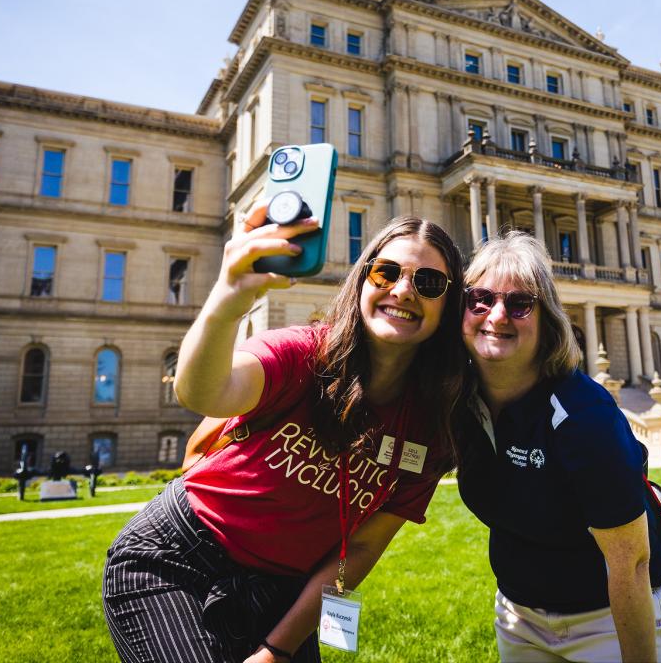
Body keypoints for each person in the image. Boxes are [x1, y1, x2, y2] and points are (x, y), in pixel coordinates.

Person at [102, 208, 467, 663]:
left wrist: (277, 648)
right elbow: (206, 391)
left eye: (428, 283)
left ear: (448, 306)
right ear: (362, 281)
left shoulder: (431, 425)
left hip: (284, 591)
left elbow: (363, 546)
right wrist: (228, 301)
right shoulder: (301, 354)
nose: (402, 290)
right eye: (385, 272)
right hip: (176, 560)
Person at [455, 232, 661, 663]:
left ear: (547, 322)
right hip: (518, 615)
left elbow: (631, 563)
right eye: (480, 299)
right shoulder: (459, 401)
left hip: (606, 619)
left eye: (520, 304)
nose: (496, 315)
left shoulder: (582, 414)